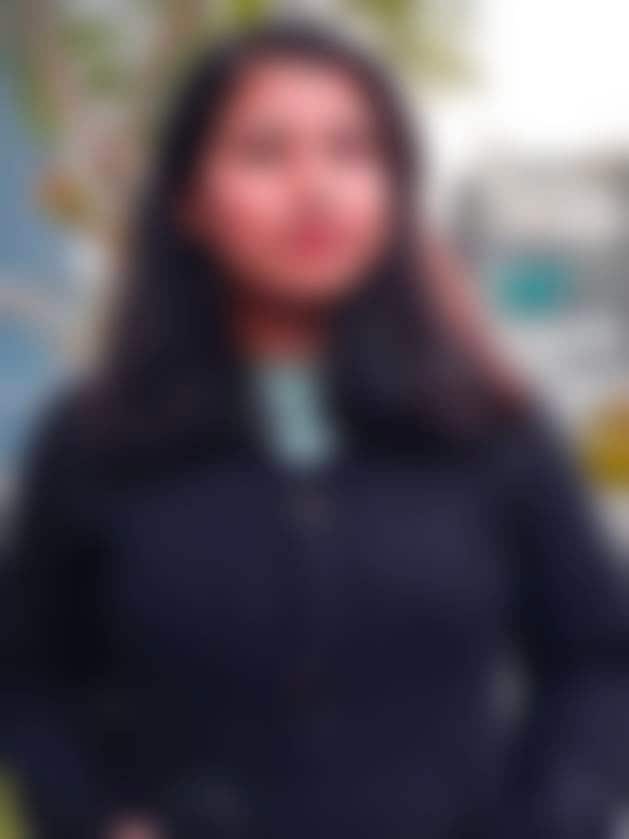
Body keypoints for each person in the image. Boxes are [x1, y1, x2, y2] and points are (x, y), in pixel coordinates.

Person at [3, 23, 629, 839]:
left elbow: (595, 659)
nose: (316, 188)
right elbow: (31, 677)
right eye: (265, 153)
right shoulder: (98, 440)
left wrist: (550, 818)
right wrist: (92, 817)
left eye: (352, 151)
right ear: (188, 200)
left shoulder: (484, 427)